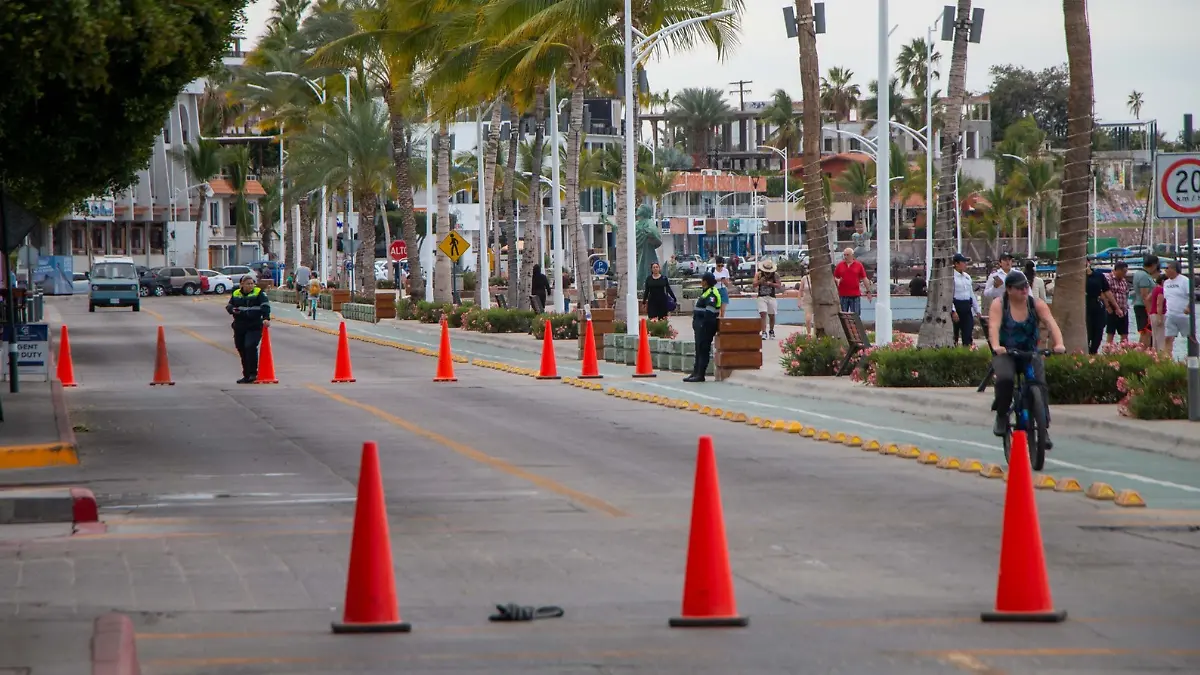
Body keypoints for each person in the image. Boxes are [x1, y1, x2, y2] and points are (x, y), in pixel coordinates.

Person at [987, 271, 1065, 444]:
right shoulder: (1000, 304)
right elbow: (993, 326)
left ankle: (1043, 430)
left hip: (1030, 352)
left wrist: (1059, 344)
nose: (1024, 290)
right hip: (1006, 352)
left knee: (1040, 384)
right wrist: (996, 346)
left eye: (1026, 286)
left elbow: (1051, 324)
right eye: (1019, 287)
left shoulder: (1036, 304)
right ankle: (1001, 415)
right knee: (1005, 380)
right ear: (1008, 289)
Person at [226, 275, 271, 384]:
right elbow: (229, 306)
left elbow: (265, 306)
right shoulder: (236, 293)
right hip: (240, 326)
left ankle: (252, 373)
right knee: (241, 348)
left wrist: (266, 318)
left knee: (250, 346)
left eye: (252, 283)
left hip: (254, 325)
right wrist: (233, 310)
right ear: (242, 285)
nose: (251, 285)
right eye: (248, 284)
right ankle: (246, 375)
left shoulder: (259, 293)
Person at [684, 272, 722, 383]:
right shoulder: (706, 292)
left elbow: (710, 312)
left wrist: (702, 325)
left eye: (702, 280)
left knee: (703, 350)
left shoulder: (711, 294)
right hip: (701, 326)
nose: (701, 281)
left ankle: (701, 374)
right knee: (698, 349)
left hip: (706, 326)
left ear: (705, 281)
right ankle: (696, 372)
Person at [1085, 261, 1116, 354]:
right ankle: (1086, 353)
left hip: (1098, 305)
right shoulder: (1079, 277)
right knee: (1088, 332)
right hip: (1085, 305)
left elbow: (1107, 291)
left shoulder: (1099, 275)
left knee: (1098, 332)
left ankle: (1093, 352)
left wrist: (1115, 307)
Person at [1161, 261, 1191, 357]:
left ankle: (1192, 358)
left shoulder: (1185, 280)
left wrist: (1188, 307)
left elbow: (1192, 296)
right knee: (1168, 338)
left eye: (1167, 268)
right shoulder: (1166, 283)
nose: (1165, 270)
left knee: (1190, 338)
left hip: (1184, 315)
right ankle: (1167, 360)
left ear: (1174, 269)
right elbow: (1166, 298)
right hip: (1170, 315)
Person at [951, 253, 980, 347]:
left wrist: (977, 310)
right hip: (956, 305)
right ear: (956, 264)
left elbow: (971, 293)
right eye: (963, 262)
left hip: (967, 306)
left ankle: (967, 351)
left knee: (967, 333)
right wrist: (953, 310)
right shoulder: (952, 277)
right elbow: (949, 295)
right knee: (954, 334)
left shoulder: (967, 277)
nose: (965, 264)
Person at [1131, 255, 1160, 348]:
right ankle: (1143, 353)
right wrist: (1150, 312)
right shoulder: (1144, 276)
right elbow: (1145, 295)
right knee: (1147, 333)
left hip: (1140, 305)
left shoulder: (1139, 273)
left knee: (1144, 332)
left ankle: (1141, 354)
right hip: (1144, 307)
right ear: (1154, 265)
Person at [833, 248, 871, 315]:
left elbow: (864, 278)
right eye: (844, 255)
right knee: (843, 316)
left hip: (855, 295)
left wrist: (868, 291)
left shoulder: (859, 265)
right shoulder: (839, 265)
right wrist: (837, 280)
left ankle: (855, 326)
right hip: (843, 295)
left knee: (856, 316)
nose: (845, 257)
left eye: (847, 255)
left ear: (852, 255)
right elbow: (834, 277)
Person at [753, 259, 782, 339]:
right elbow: (754, 284)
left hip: (771, 296)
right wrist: (759, 282)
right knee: (763, 314)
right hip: (761, 296)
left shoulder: (775, 275)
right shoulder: (758, 274)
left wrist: (771, 284)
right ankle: (764, 331)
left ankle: (771, 330)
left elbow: (779, 285)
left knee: (772, 315)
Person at [1104, 261, 1131, 346]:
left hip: (1123, 310)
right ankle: (1108, 351)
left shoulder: (1123, 280)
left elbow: (1126, 293)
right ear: (1118, 270)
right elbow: (1104, 293)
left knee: (1124, 334)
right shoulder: (1108, 279)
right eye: (1123, 272)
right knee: (1110, 333)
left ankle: (1123, 352)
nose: (1125, 274)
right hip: (1112, 310)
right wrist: (1108, 306)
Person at [1148, 274, 1166, 352]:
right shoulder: (1161, 290)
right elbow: (1159, 303)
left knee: (1155, 337)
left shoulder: (1155, 289)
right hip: (1160, 314)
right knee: (1161, 338)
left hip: (1153, 314)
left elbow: (1148, 298)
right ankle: (1161, 356)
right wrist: (1159, 318)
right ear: (1163, 281)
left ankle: (1154, 355)